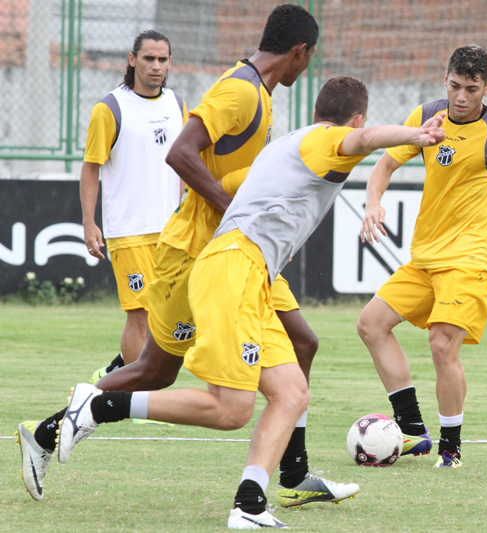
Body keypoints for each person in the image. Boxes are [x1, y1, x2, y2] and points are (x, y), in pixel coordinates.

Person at [55, 75, 447, 529]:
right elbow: (362, 139)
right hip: (234, 271)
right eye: (357, 127)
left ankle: (250, 502)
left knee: (292, 394)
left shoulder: (288, 144)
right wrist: (413, 134)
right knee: (231, 409)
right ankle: (100, 405)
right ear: (354, 118)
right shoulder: (329, 141)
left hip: (251, 276)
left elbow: (236, 186)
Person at [15, 4, 343, 508]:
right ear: (299, 51)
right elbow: (181, 153)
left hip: (239, 253)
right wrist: (233, 210)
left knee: (303, 340)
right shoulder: (239, 90)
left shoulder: (261, 92)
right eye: (309, 58)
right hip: (198, 254)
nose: (307, 66)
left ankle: (292, 472)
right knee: (156, 370)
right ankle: (50, 430)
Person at [356, 44, 487, 468]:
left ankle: (451, 447)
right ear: (445, 79)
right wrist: (374, 202)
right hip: (426, 255)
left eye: (472, 89)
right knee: (371, 325)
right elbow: (385, 164)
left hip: (473, 256)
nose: (462, 97)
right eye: (456, 86)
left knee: (442, 343)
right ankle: (411, 429)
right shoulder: (427, 116)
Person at [80, 30, 186, 383]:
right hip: (129, 230)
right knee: (140, 316)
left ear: (170, 62)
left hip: (172, 230)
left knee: (170, 317)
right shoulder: (109, 108)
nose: (156, 66)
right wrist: (89, 223)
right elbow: (91, 167)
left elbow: (185, 164)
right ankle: (138, 398)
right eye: (149, 59)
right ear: (132, 59)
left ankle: (115, 372)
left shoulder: (177, 104)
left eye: (162, 59)